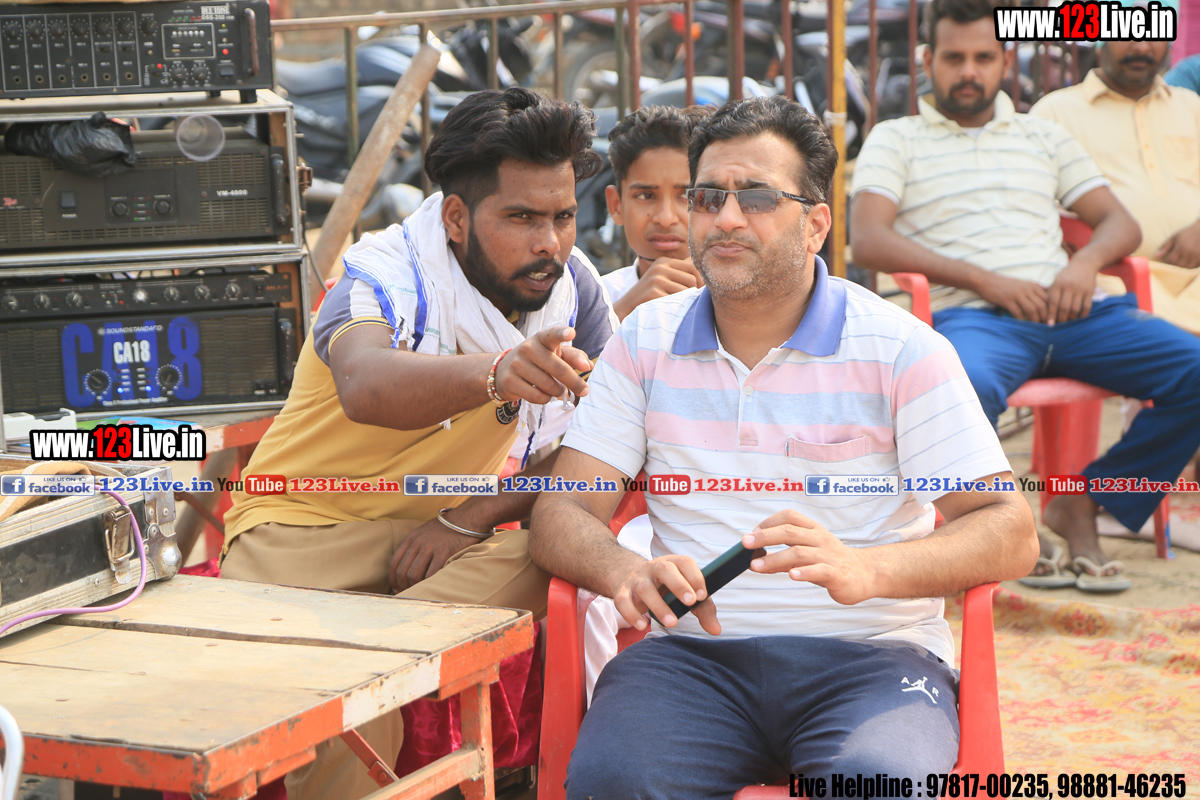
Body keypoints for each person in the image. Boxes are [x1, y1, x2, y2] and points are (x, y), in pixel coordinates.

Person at [529, 96, 1039, 798]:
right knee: (613, 784)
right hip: (690, 662)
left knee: (875, 784)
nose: (726, 219)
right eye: (708, 197)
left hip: (872, 660)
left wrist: (867, 569)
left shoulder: (900, 349)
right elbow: (562, 511)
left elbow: (1010, 529)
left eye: (759, 198)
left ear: (816, 225)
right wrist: (625, 570)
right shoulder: (644, 341)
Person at [220, 88, 617, 800]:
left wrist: (470, 517)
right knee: (353, 711)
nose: (550, 243)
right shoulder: (382, 271)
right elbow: (364, 383)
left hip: (441, 536)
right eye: (522, 218)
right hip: (299, 530)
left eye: (562, 216)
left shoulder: (573, 291)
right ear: (456, 218)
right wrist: (497, 373)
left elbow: (605, 442)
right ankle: (372, 658)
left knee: (566, 544)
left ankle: (373, 649)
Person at [850, 0, 1200, 593]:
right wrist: (986, 280)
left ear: (1005, 62)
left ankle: (1084, 502)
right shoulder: (896, 138)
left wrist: (1083, 265)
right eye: (954, 58)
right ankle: (996, 532)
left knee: (1195, 370)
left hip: (1071, 312)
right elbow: (868, 239)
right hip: (975, 317)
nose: (969, 71)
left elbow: (1118, 223)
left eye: (984, 57)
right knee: (961, 387)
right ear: (928, 62)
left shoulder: (1041, 134)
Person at [1031, 40, 1200, 333]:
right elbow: (1029, 206)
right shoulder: (1055, 112)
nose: (1141, 47)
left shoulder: (1191, 106)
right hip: (1113, 278)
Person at [601, 105, 709, 321]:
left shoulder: (750, 299)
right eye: (646, 196)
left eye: (686, 195)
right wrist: (619, 315)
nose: (666, 219)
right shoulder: (594, 301)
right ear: (616, 206)